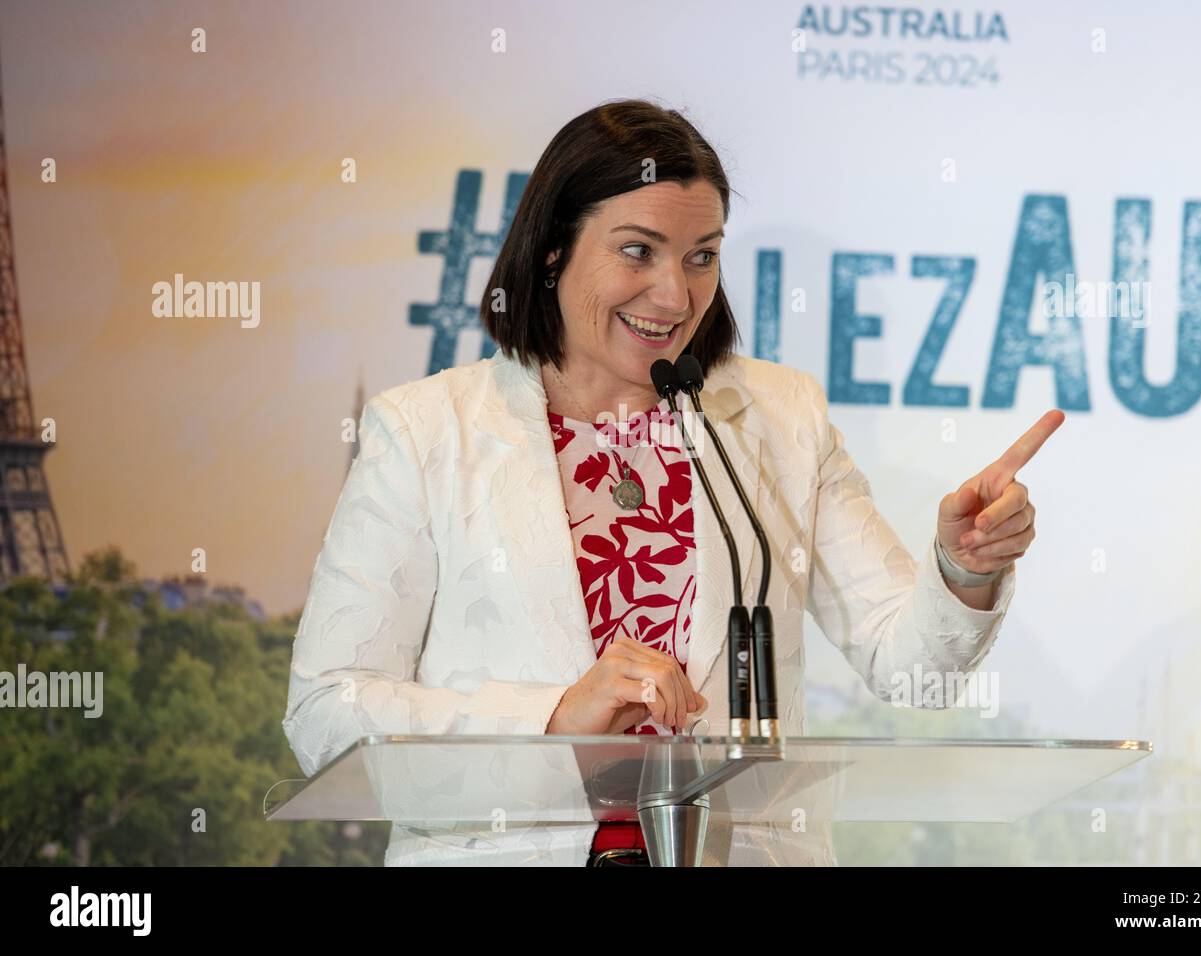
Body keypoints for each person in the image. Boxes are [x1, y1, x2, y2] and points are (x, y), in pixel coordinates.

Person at [283, 98, 1060, 867]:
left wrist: (965, 567)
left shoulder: (779, 419)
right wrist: (552, 721)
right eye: (638, 251)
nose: (676, 296)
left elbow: (912, 673)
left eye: (701, 255)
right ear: (553, 250)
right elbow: (328, 712)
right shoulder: (425, 432)